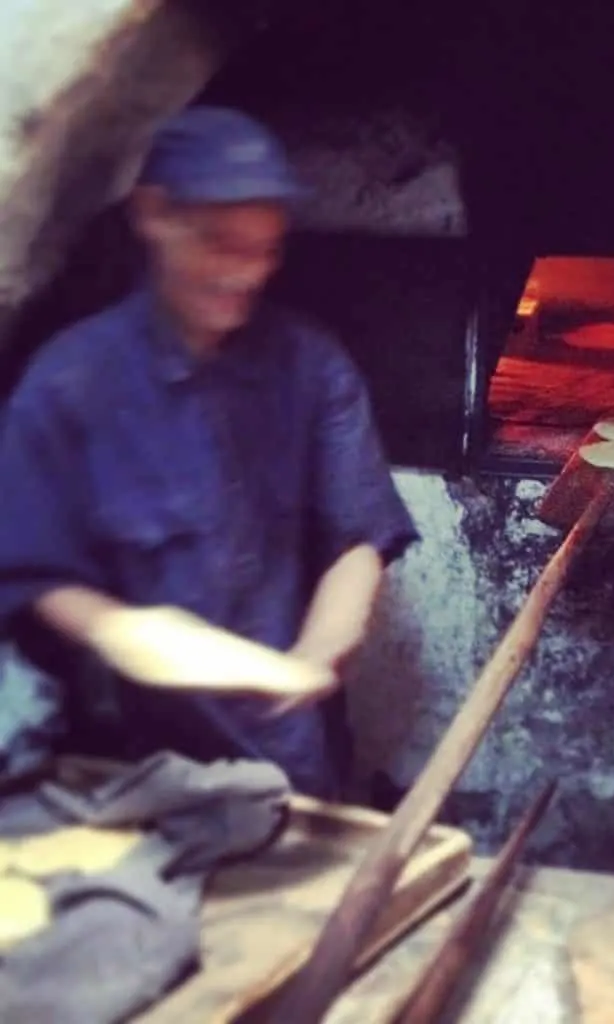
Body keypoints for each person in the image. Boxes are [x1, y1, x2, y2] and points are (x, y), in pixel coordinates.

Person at [0, 106, 419, 800]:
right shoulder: (69, 384)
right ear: (153, 214)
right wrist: (141, 635)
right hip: (122, 760)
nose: (247, 273)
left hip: (287, 744)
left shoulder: (312, 366)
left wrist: (316, 656)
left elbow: (360, 538)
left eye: (266, 248)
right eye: (221, 244)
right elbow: (39, 578)